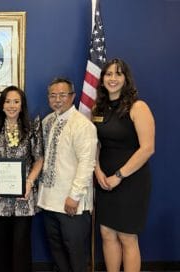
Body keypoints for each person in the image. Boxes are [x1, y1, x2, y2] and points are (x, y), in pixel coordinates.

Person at [92, 58, 155, 272]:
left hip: (131, 180)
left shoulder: (138, 107)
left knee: (127, 236)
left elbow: (147, 148)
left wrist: (119, 176)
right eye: (108, 74)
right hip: (104, 179)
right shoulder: (97, 108)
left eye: (118, 74)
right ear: (102, 79)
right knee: (107, 233)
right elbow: (96, 143)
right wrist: (97, 170)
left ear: (126, 79)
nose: (113, 78)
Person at [37, 78, 97, 272]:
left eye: (63, 95)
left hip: (72, 204)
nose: (57, 99)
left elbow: (87, 163)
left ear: (72, 96)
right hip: (48, 202)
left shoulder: (82, 125)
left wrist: (75, 196)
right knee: (57, 253)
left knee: (75, 254)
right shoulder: (47, 121)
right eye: (53, 95)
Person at [0, 85, 43, 272]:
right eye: (8, 101)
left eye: (16, 101)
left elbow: (39, 159)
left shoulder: (32, 125)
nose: (12, 105)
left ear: (22, 104)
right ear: (1, 104)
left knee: (21, 244)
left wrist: (29, 182)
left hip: (23, 196)